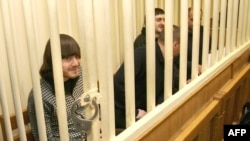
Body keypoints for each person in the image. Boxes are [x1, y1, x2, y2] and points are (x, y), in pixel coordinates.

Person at [114, 26, 181, 130]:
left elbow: (167, 88)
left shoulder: (168, 61)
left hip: (148, 113)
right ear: (175, 45)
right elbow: (118, 85)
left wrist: (158, 106)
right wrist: (134, 111)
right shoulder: (141, 54)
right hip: (126, 114)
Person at [27, 34, 86, 141]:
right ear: (52, 61)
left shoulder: (78, 73)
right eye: (68, 58)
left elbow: (85, 108)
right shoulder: (40, 95)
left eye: (77, 56)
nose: (76, 63)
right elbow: (45, 138)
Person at [187, 7, 211, 74]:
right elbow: (177, 60)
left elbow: (213, 48)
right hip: (188, 74)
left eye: (198, 20)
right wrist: (194, 66)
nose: (195, 23)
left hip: (205, 71)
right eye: (192, 19)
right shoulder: (179, 34)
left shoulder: (204, 31)